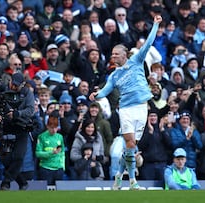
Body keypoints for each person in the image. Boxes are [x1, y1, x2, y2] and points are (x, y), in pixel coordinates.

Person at [89, 15, 163, 189]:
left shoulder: (136, 61)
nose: (113, 56)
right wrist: (97, 94)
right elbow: (106, 90)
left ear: (124, 54)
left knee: (130, 147)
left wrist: (155, 24)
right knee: (129, 144)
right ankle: (132, 181)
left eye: (116, 53)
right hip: (126, 110)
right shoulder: (114, 75)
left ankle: (118, 176)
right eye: (112, 54)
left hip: (142, 108)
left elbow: (149, 43)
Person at [0, 72, 34, 190]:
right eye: (12, 84)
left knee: (19, 156)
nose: (13, 87)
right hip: (6, 128)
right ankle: (22, 182)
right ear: (10, 81)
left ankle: (6, 182)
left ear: (22, 85)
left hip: (21, 128)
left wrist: (17, 113)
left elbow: (30, 110)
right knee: (5, 158)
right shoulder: (2, 92)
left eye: (17, 86)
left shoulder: (27, 93)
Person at [35, 116, 65, 186]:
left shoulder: (60, 137)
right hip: (46, 168)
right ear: (47, 126)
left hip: (58, 169)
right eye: (52, 128)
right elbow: (38, 153)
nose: (54, 130)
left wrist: (62, 166)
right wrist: (51, 153)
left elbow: (62, 152)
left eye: (56, 128)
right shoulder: (41, 137)